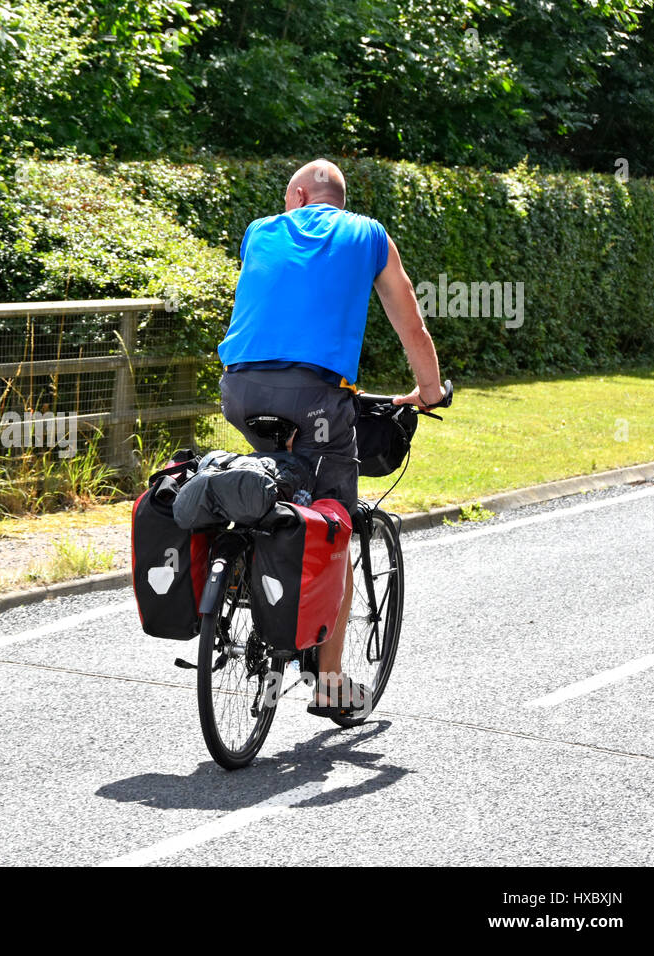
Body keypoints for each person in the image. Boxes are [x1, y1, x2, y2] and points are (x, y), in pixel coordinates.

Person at [217, 159, 445, 716]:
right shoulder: (368, 234)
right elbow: (407, 317)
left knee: (271, 484)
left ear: (296, 195)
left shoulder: (259, 231)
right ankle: (329, 683)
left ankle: (239, 581)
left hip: (240, 390)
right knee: (334, 524)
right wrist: (429, 389)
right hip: (316, 398)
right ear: (336, 199)